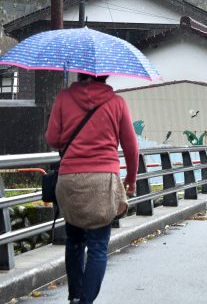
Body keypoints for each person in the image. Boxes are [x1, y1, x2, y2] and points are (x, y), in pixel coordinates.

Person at [45, 73, 138, 304]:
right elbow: (131, 147)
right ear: (106, 75)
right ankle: (85, 301)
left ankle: (75, 296)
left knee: (74, 241)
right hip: (102, 182)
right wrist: (131, 179)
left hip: (70, 181)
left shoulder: (64, 98)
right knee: (97, 247)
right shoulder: (117, 103)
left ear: (79, 72)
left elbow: (53, 139)